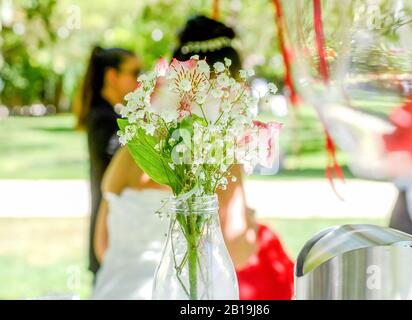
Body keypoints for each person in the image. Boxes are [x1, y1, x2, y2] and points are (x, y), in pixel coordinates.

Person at [92, 15, 294, 300]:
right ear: (230, 81)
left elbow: (103, 247)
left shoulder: (136, 144)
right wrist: (250, 219)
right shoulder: (217, 150)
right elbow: (237, 249)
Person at [75, 46, 141, 281]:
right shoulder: (104, 119)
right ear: (112, 76)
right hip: (108, 234)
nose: (139, 81)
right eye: (135, 73)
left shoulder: (110, 115)